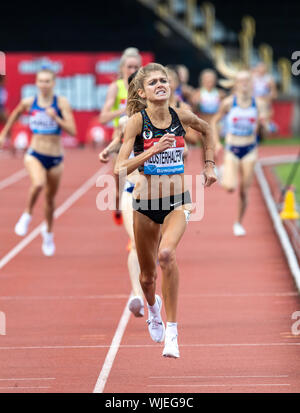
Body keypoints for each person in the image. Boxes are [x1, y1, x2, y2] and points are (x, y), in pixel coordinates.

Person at [114, 63, 216, 358]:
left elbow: (207, 129)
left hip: (177, 202)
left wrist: (209, 165)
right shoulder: (135, 122)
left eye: (164, 80)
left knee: (167, 255)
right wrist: (152, 150)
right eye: (153, 82)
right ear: (143, 92)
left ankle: (172, 332)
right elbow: (120, 168)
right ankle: (153, 308)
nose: (160, 84)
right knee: (147, 280)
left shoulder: (181, 117)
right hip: (145, 205)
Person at [0, 68, 76, 256]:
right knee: (38, 183)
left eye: (47, 81)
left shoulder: (61, 103)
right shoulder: (29, 102)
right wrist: (4, 132)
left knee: (50, 200)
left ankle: (48, 234)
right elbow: (15, 113)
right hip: (35, 153)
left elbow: (73, 130)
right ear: (36, 83)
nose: (44, 84)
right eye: (41, 81)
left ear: (53, 83)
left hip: (56, 157)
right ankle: (27, 214)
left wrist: (56, 117)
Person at [211, 71, 263, 237]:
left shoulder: (258, 104)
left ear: (251, 83)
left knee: (243, 190)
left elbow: (264, 124)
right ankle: (223, 171)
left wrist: (264, 126)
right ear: (236, 84)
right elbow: (213, 121)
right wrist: (217, 142)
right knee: (230, 187)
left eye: (247, 80)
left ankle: (238, 223)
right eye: (241, 81)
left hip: (250, 149)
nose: (245, 84)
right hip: (232, 148)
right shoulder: (228, 103)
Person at [99, 47, 142, 226]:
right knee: (120, 186)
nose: (132, 70)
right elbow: (103, 117)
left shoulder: (142, 88)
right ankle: (121, 208)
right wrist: (123, 110)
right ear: (123, 68)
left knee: (139, 185)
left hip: (140, 139)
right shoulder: (115, 88)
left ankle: (134, 227)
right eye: (129, 67)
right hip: (122, 139)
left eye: (136, 67)